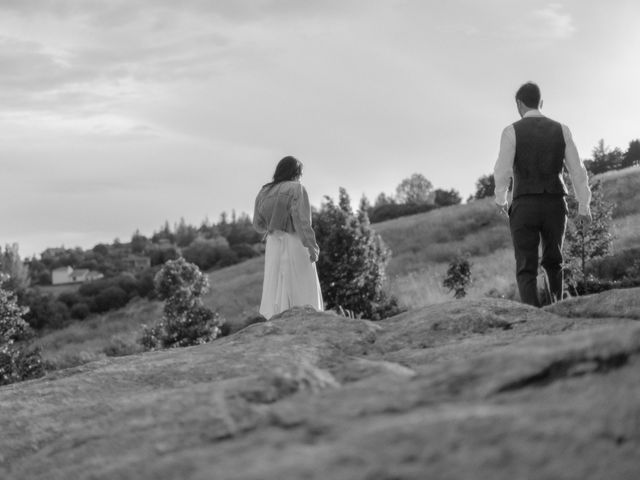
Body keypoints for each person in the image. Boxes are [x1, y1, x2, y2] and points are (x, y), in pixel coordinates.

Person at [493, 82, 592, 306]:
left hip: (524, 204)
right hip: (554, 203)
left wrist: (500, 198)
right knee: (554, 261)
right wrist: (584, 206)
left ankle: (532, 319)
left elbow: (503, 170)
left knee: (526, 265)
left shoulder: (511, 131)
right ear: (541, 103)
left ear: (519, 103)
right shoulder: (562, 129)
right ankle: (556, 309)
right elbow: (577, 171)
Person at [253, 156, 324, 319]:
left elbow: (257, 224)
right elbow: (302, 221)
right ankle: (306, 320)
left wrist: (273, 226)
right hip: (295, 241)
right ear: (296, 173)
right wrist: (312, 246)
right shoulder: (296, 189)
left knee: (277, 283)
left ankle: (279, 320)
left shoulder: (264, 192)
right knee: (303, 284)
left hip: (273, 243)